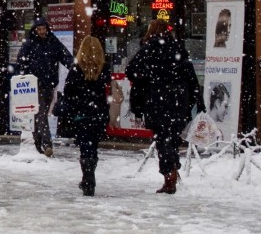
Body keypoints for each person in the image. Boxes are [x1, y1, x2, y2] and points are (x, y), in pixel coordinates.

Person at [126, 20, 204, 194]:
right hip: (178, 100)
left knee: (162, 138)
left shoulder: (148, 50)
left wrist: (148, 78)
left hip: (157, 100)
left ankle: (169, 175)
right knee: (172, 137)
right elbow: (190, 76)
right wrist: (198, 100)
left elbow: (130, 70)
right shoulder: (178, 49)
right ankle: (172, 170)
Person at [59, 36, 111, 196]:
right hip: (99, 114)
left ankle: (88, 179)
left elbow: (68, 91)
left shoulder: (76, 69)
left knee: (85, 147)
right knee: (93, 146)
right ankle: (89, 177)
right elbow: (105, 90)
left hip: (81, 115)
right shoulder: (104, 68)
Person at [17, 16, 73, 157]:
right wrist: (28, 72)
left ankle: (37, 143)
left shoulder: (53, 41)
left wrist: (74, 66)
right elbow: (21, 60)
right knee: (41, 114)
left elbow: (65, 55)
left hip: (49, 84)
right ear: (35, 30)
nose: (42, 32)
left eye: (44, 29)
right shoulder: (30, 44)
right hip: (35, 85)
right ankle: (47, 144)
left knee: (40, 115)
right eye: (39, 29)